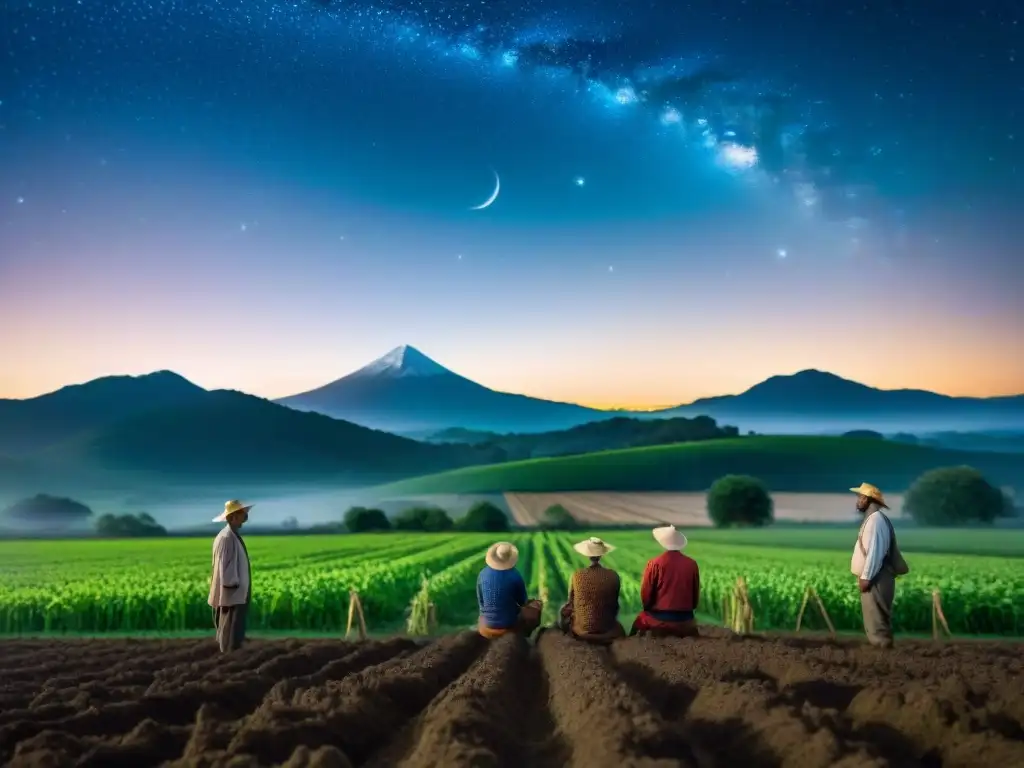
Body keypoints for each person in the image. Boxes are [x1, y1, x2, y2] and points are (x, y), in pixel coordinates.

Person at [850, 482, 909, 649]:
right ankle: (880, 649)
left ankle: (882, 651)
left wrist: (866, 577)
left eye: (861, 497)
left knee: (876, 618)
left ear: (869, 500)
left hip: (877, 576)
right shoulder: (874, 520)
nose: (858, 501)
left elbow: (875, 553)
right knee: (874, 616)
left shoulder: (875, 521)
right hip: (877, 575)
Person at [630, 525, 700, 638]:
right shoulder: (692, 564)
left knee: (638, 622)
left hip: (661, 619)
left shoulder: (655, 563)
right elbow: (695, 597)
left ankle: (629, 643)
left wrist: (648, 608)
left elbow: (646, 595)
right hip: (686, 618)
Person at [208, 499, 253, 653]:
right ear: (233, 517)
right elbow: (224, 564)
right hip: (231, 591)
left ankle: (232, 650)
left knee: (234, 625)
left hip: (235, 591)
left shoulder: (231, 535)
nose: (245, 518)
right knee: (230, 625)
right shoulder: (227, 537)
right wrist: (231, 585)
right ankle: (229, 653)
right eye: (242, 515)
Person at [560, 537, 624, 644]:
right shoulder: (613, 575)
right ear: (601, 554)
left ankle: (565, 637)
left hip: (582, 629)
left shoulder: (578, 575)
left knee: (563, 612)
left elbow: (571, 602)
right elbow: (615, 604)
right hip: (607, 627)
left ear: (588, 555)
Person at [476, 541, 543, 639]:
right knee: (535, 607)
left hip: (487, 624)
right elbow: (522, 602)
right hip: (508, 624)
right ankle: (527, 639)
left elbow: (481, 600)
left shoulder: (482, 574)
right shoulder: (514, 575)